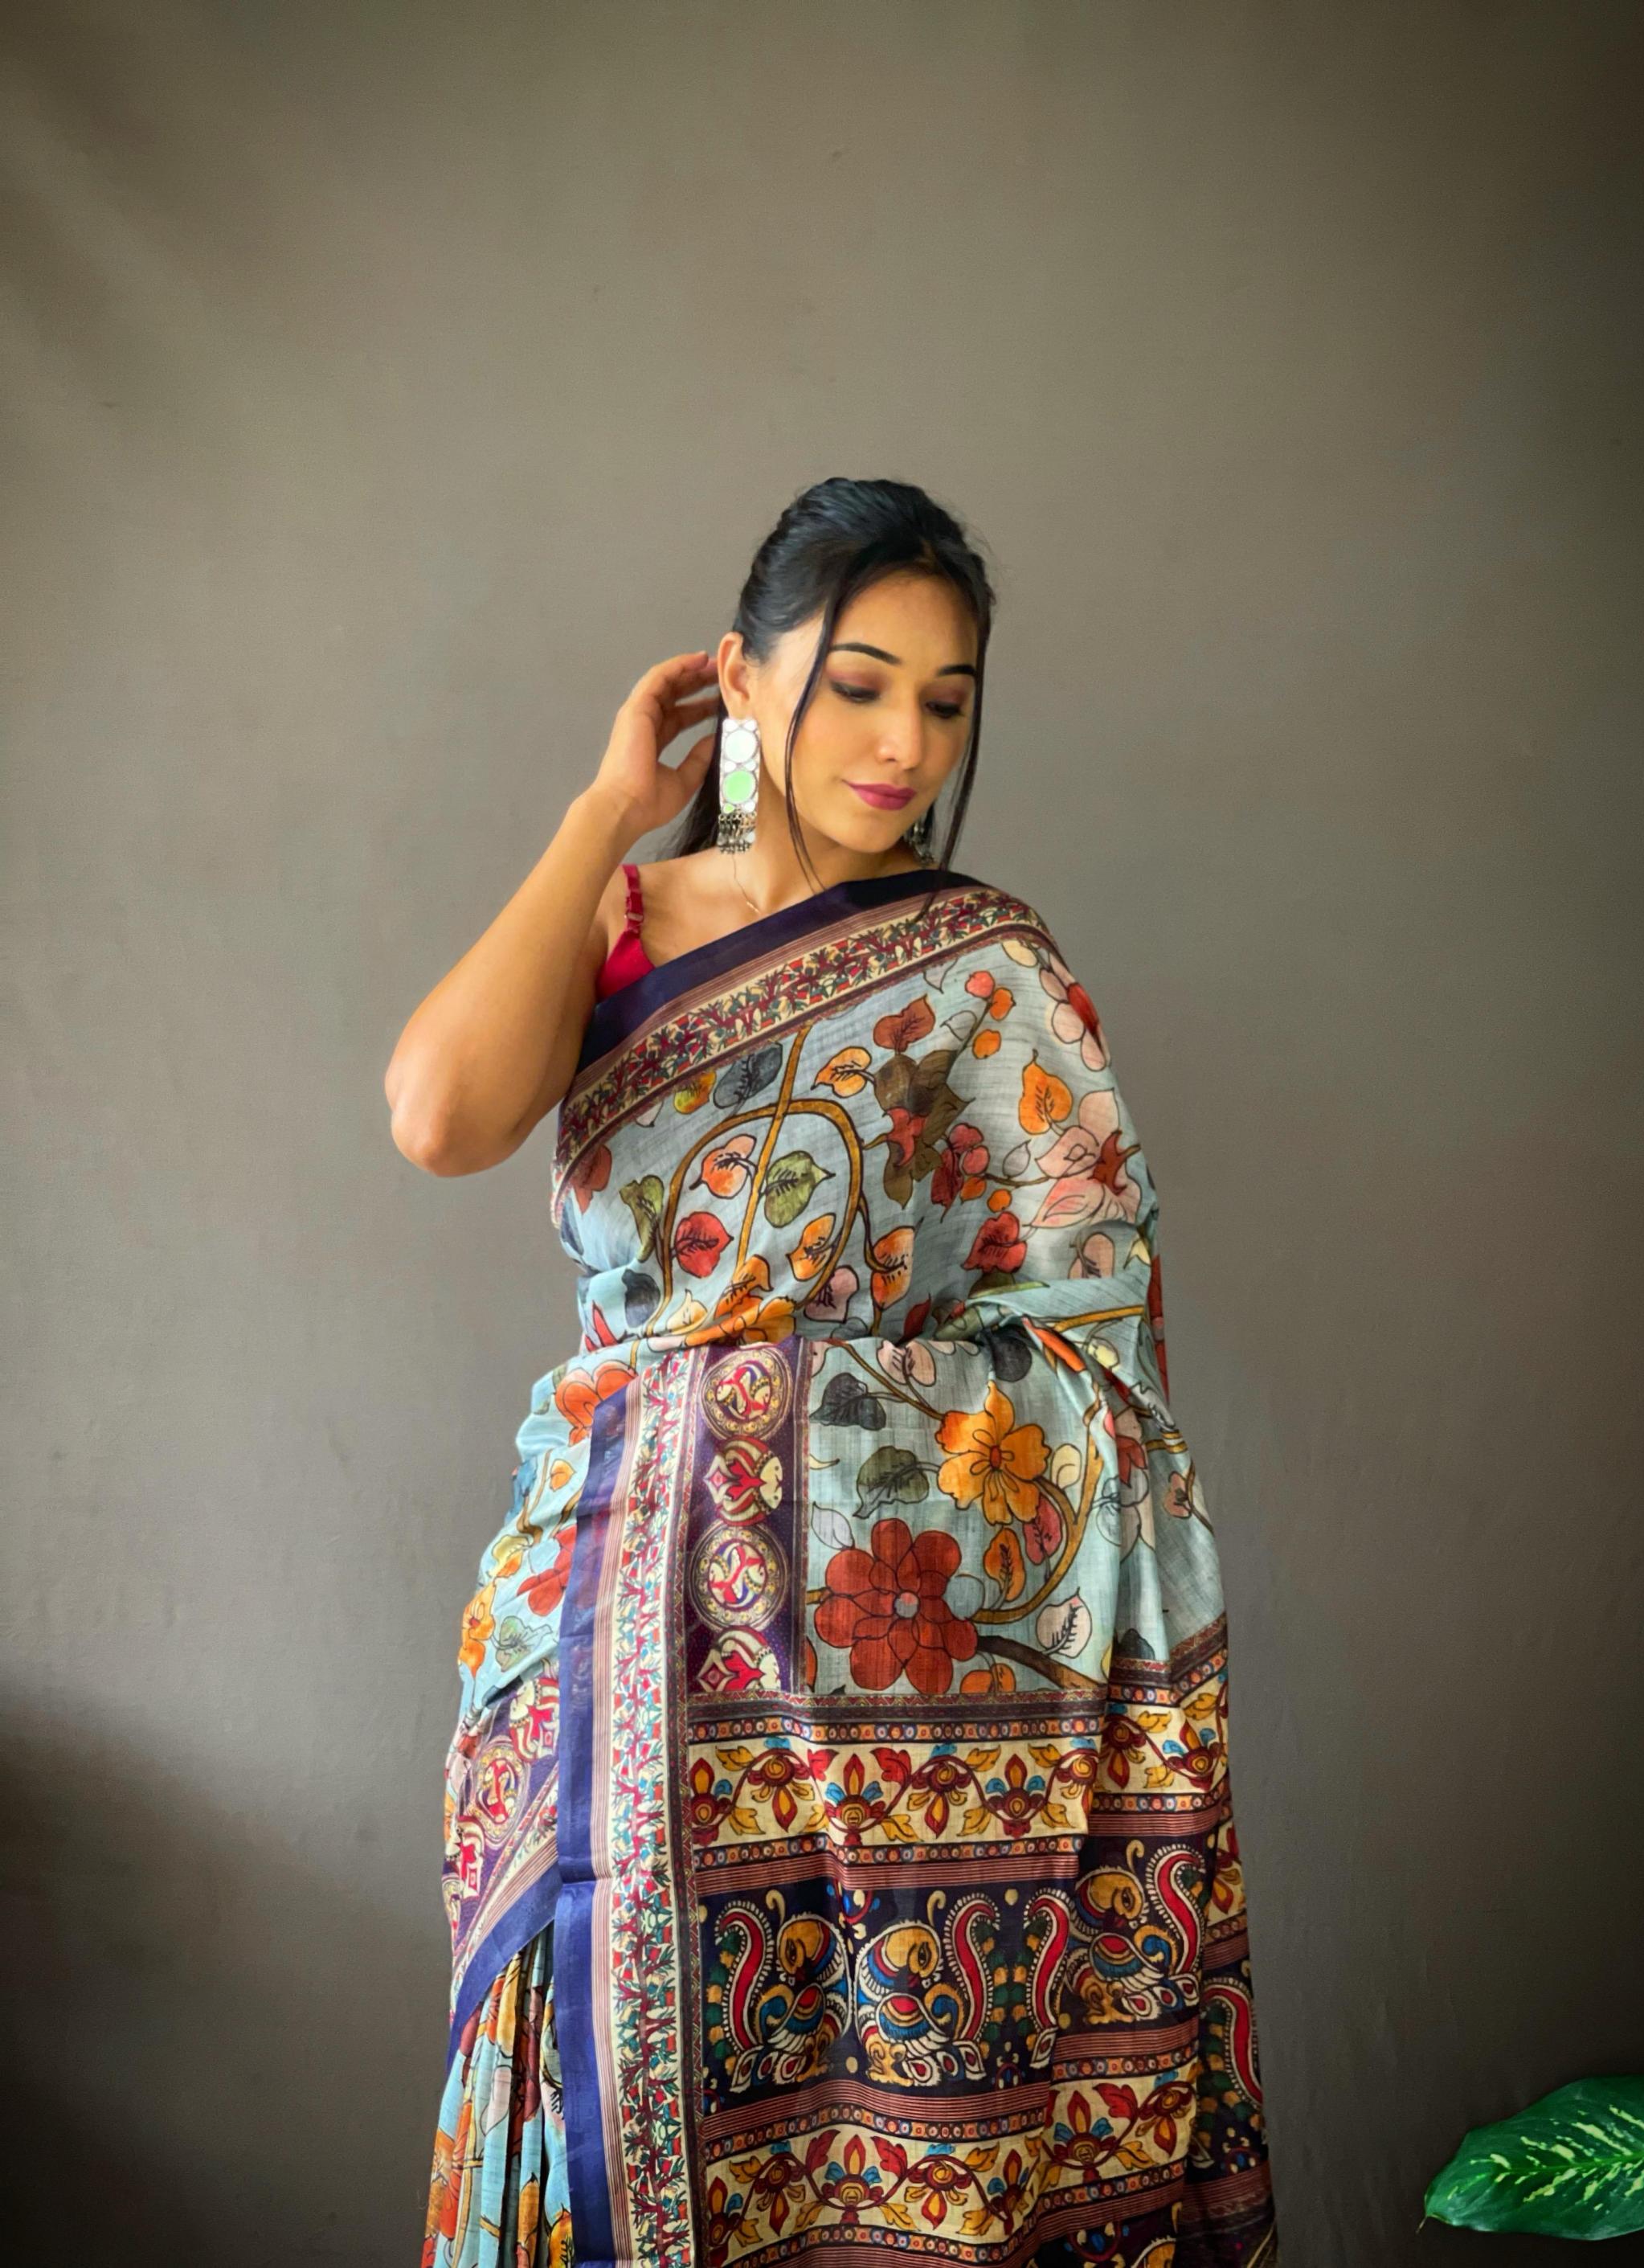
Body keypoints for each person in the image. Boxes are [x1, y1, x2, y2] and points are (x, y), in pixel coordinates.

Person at [385, 477, 1279, 2268]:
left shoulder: (988, 972)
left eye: (945, 702)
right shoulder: (621, 914)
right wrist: (600, 812)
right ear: (741, 675)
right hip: (616, 1632)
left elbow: (1094, 1368)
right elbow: (440, 1114)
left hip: (908, 1676)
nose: (903, 745)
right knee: (585, 2100)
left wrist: (766, 1414)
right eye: (857, 685)